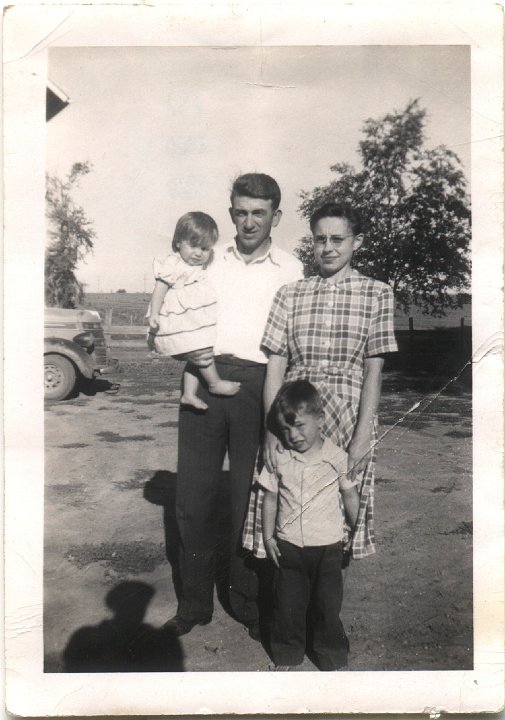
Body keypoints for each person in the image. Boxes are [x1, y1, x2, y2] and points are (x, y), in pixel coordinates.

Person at [165, 173, 303, 639]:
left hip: (261, 384)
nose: (248, 221)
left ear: (275, 217)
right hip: (206, 380)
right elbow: (175, 308)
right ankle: (194, 603)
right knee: (193, 498)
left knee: (250, 496)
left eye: (258, 213)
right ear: (230, 214)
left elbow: (296, 342)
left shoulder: (292, 269)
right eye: (241, 212)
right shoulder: (207, 261)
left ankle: (245, 601)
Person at [244, 201, 397, 568]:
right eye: (319, 239)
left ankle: (326, 618)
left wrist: (363, 436)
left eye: (337, 239)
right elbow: (276, 365)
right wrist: (271, 429)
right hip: (295, 415)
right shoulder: (290, 294)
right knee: (285, 502)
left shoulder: (377, 293)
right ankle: (287, 613)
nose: (328, 247)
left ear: (356, 242)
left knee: (335, 514)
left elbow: (373, 372)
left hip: (347, 417)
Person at [259, 380, 359, 671]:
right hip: (289, 546)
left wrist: (358, 531)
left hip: (328, 547)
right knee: (288, 606)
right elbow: (270, 498)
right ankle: (288, 656)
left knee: (328, 607)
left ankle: (331, 657)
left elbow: (350, 495)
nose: (294, 435)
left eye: (300, 425)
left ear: (320, 419)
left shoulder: (337, 458)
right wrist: (268, 538)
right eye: (286, 429)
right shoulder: (279, 458)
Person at [147, 211, 240, 410]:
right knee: (201, 351)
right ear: (178, 242)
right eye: (193, 245)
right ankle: (214, 383)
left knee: (197, 354)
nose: (199, 253)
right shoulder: (173, 264)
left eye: (205, 248)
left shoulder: (200, 267)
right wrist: (154, 313)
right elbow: (160, 289)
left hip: (193, 320)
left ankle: (188, 394)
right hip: (179, 318)